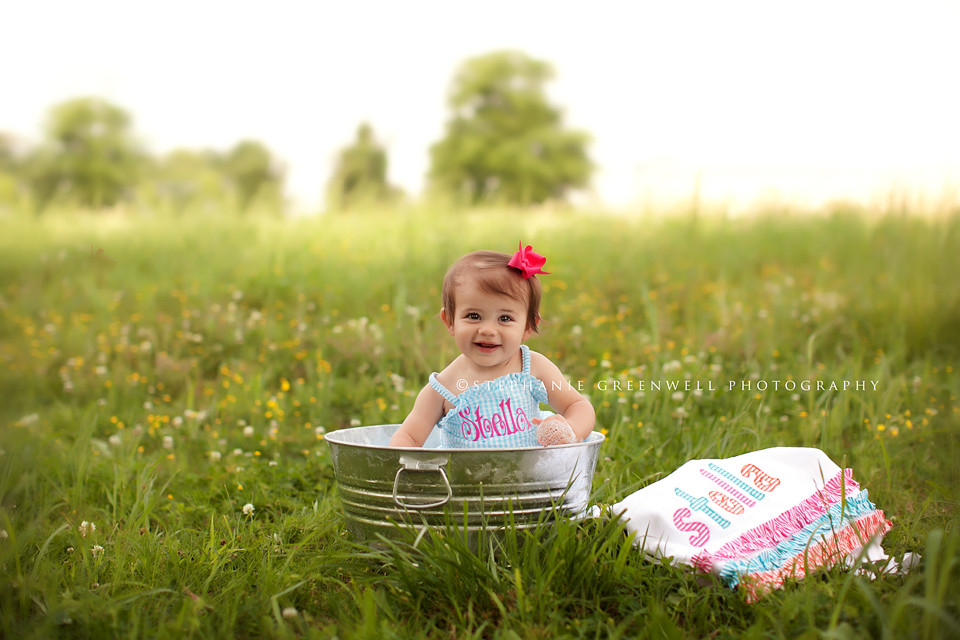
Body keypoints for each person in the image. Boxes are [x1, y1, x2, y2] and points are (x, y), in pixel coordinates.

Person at [389, 243, 595, 448]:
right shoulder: (442, 389)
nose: (488, 330)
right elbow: (409, 437)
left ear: (528, 326)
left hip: (532, 475)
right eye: (474, 316)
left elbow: (577, 405)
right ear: (450, 321)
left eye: (504, 318)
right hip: (462, 479)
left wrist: (570, 430)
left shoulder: (532, 367)